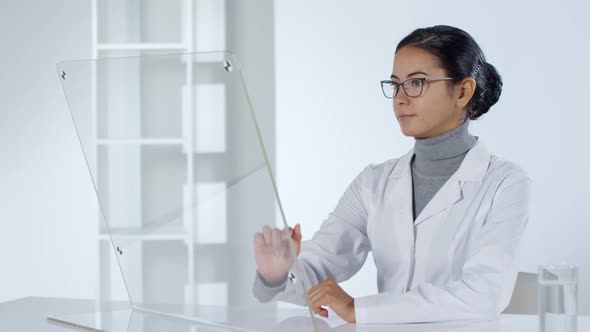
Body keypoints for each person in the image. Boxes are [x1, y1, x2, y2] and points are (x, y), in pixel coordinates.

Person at [252, 25, 532, 324]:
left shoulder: (506, 183)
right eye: (396, 84)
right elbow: (323, 260)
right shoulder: (373, 183)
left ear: (462, 91)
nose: (400, 98)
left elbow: (482, 295)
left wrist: (357, 309)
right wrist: (277, 273)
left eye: (417, 83)